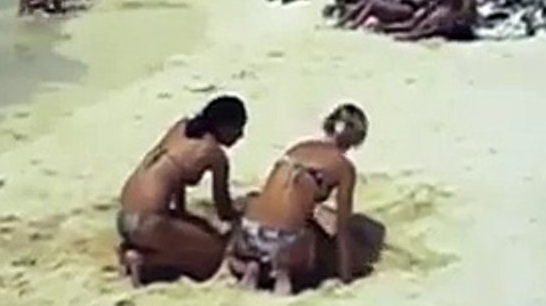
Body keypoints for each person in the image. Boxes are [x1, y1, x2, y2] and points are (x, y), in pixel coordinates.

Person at [227, 103, 371, 294]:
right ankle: (281, 269)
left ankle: (253, 266)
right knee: (313, 238)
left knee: (258, 205)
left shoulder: (298, 148)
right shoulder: (344, 168)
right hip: (284, 244)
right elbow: (342, 229)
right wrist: (346, 276)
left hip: (248, 235)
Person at [117, 95, 247, 285]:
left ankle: (134, 249)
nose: (240, 135)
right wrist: (242, 214)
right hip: (147, 222)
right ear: (224, 126)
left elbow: (174, 177)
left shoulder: (181, 128)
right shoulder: (214, 155)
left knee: (192, 229)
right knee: (213, 253)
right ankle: (145, 260)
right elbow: (224, 211)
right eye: (238, 128)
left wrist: (181, 214)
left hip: (125, 212)